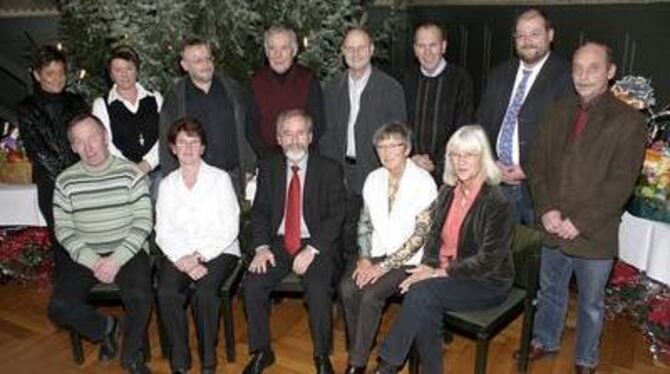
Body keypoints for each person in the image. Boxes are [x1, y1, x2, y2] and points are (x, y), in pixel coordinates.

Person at [526, 42, 647, 374]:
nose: (583, 76)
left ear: (610, 72)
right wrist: (547, 209)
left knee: (591, 305)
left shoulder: (629, 122)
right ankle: (545, 339)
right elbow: (536, 164)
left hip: (594, 233)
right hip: (552, 226)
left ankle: (585, 360)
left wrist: (578, 222)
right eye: (577, 68)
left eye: (593, 68)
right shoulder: (557, 111)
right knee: (550, 290)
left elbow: (620, 185)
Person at [374, 125, 515, 374]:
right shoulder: (447, 191)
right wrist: (428, 265)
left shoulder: (497, 202)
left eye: (469, 155)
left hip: (486, 281)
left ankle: (387, 365)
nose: (460, 161)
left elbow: (488, 260)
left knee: (421, 293)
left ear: (482, 157)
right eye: (455, 154)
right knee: (424, 298)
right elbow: (433, 236)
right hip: (445, 273)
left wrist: (439, 272)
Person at [242, 109, 345, 374]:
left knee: (319, 287)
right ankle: (262, 351)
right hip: (277, 243)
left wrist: (312, 249)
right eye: (287, 133)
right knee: (252, 284)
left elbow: (337, 215)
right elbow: (261, 211)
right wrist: (261, 247)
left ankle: (322, 356)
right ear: (278, 138)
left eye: (301, 133)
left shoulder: (329, 168)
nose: (294, 140)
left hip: (316, 243)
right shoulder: (268, 167)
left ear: (310, 137)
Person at [49, 113, 153, 374]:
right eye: (80, 141)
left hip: (127, 250)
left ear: (105, 136)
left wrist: (116, 259)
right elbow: (63, 230)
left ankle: (131, 357)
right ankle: (106, 328)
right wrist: (94, 261)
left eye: (93, 137)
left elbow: (143, 222)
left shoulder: (131, 173)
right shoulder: (65, 181)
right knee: (59, 307)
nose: (89, 147)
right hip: (86, 253)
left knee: (140, 296)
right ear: (73, 147)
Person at [339, 123, 437, 373]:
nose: (387, 152)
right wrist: (363, 257)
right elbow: (364, 222)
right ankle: (359, 346)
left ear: (407, 149)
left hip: (409, 259)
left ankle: (356, 364)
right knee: (348, 288)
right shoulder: (374, 178)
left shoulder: (424, 182)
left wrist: (382, 267)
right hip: (377, 250)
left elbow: (420, 236)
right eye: (381, 146)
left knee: (371, 295)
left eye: (394, 145)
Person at [155, 117, 240, 374]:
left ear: (203, 148)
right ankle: (180, 361)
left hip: (219, 249)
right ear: (173, 147)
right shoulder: (167, 184)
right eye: (182, 142)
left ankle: (208, 360)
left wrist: (200, 255)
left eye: (194, 142)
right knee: (167, 292)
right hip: (179, 253)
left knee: (205, 293)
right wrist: (184, 258)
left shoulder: (219, 178)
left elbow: (228, 226)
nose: (188, 148)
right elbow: (163, 229)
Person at [477, 8, 573, 224]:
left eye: (534, 34)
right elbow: (481, 123)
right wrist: (491, 163)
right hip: (496, 182)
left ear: (550, 35)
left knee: (531, 254)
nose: (527, 41)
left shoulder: (566, 77)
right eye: (521, 35)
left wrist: (528, 168)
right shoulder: (499, 74)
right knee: (496, 252)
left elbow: (566, 139)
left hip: (539, 191)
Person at [320, 27, 406, 264]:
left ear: (371, 50)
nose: (355, 53)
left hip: (376, 174)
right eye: (350, 48)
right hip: (341, 174)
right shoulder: (331, 88)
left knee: (372, 239)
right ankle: (344, 293)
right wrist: (332, 173)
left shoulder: (391, 89)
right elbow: (325, 135)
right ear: (343, 52)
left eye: (361, 47)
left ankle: (366, 292)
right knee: (343, 238)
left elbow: (399, 138)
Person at [159, 37, 255, 194]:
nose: (206, 65)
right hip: (194, 180)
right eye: (198, 61)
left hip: (233, 177)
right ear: (185, 66)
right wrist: (173, 180)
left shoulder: (234, 90)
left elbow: (250, 127)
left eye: (208, 58)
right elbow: (167, 142)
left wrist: (249, 167)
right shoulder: (175, 98)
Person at [17, 45, 88, 253]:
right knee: (62, 239)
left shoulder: (77, 103)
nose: (57, 78)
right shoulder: (28, 108)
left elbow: (87, 139)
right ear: (38, 76)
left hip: (82, 178)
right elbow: (36, 150)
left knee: (87, 234)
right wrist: (66, 178)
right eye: (50, 73)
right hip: (50, 184)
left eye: (61, 72)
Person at [404, 21, 474, 180]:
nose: (427, 52)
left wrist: (436, 164)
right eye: (421, 46)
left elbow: (463, 129)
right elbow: (400, 124)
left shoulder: (460, 80)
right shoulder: (406, 79)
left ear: (443, 46)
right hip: (411, 169)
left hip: (449, 172)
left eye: (433, 45)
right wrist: (411, 158)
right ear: (415, 49)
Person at [92, 45, 163, 198]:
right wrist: (131, 170)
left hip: (157, 173)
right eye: (118, 70)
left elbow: (166, 135)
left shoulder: (155, 98)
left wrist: (147, 164)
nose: (124, 74)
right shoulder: (101, 104)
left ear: (137, 70)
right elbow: (105, 143)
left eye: (129, 68)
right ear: (111, 74)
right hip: (121, 176)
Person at [249, 25, 325, 158]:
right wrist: (270, 158)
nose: (278, 55)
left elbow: (318, 124)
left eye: (284, 48)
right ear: (266, 52)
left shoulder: (308, 79)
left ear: (294, 51)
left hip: (304, 158)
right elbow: (251, 129)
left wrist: (298, 155)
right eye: (272, 48)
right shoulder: (256, 82)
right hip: (268, 160)